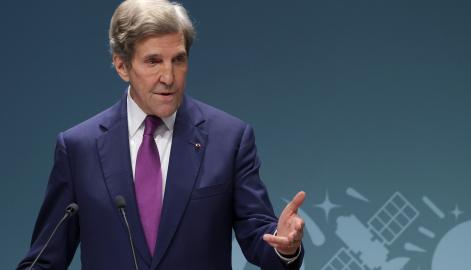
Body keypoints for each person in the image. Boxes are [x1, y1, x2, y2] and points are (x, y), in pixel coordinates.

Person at [17, 0, 305, 269]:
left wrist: (285, 245)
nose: (168, 77)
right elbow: (45, 258)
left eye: (178, 60)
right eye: (153, 61)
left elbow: (260, 236)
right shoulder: (79, 148)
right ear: (121, 66)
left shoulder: (229, 139)